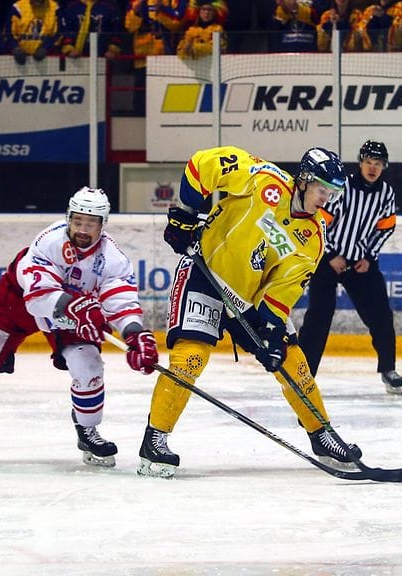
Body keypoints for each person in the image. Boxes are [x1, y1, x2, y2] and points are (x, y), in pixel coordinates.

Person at [0, 187, 159, 467]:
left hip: (71, 312)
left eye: (91, 223)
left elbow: (121, 300)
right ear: (69, 218)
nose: (83, 230)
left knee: (88, 364)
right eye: (78, 221)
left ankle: (87, 430)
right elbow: (37, 299)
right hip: (15, 306)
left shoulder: (112, 258)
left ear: (103, 224)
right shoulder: (49, 241)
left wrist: (134, 333)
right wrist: (77, 309)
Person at [141, 145, 353, 478]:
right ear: (304, 180)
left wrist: (271, 334)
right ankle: (155, 439)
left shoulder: (312, 239)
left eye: (332, 193)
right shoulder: (263, 179)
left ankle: (321, 433)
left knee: (293, 362)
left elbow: (281, 292)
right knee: (190, 358)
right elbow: (203, 164)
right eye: (322, 189)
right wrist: (186, 213)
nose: (326, 199)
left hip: (245, 299)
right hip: (204, 272)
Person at [298, 140, 402, 395]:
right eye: (368, 162)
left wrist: (368, 257)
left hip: (360, 263)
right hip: (329, 260)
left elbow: (386, 227)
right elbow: (319, 222)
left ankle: (388, 369)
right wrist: (329, 255)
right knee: (319, 316)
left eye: (377, 163)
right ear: (360, 162)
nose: (372, 168)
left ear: (384, 166)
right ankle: (302, 373)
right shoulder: (342, 187)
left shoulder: (386, 193)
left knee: (381, 315)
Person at [58, 0, 124, 59]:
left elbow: (117, 30)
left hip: (104, 57)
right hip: (75, 59)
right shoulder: (72, 7)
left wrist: (112, 50)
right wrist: (69, 49)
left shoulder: (110, 6)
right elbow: (66, 30)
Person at [7, 0, 62, 64]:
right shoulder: (18, 7)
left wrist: (46, 48)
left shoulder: (54, 8)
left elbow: (59, 34)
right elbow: (8, 33)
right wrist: (15, 48)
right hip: (19, 59)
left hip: (46, 59)